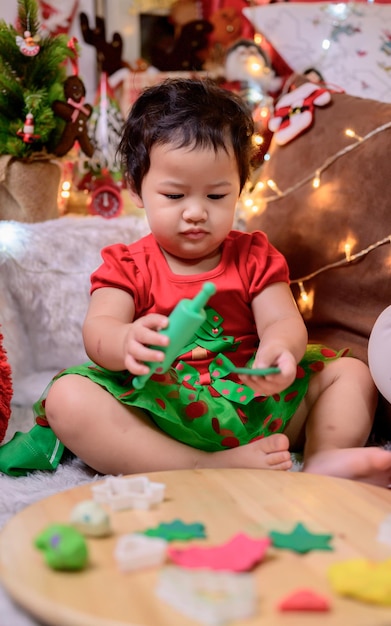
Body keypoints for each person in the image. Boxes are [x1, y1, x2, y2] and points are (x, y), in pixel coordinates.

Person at [38, 78, 391, 486]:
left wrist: (279, 354)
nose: (195, 213)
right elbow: (98, 330)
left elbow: (280, 321)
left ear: (240, 188)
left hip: (254, 401)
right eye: (174, 196)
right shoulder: (127, 264)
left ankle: (324, 458)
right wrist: (125, 342)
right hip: (165, 409)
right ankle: (196, 466)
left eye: (216, 196)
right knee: (67, 398)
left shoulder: (253, 255)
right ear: (137, 188)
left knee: (350, 373)